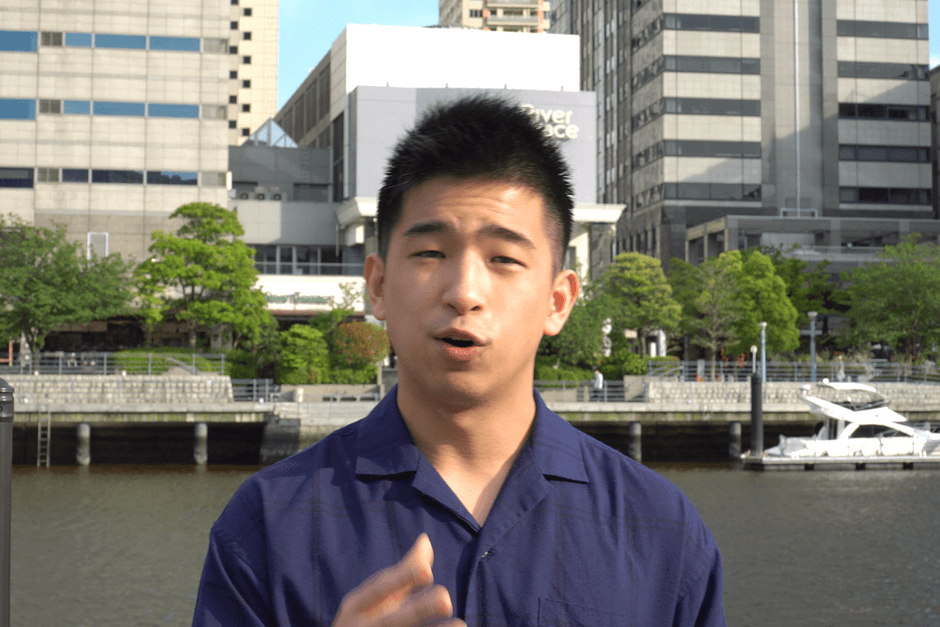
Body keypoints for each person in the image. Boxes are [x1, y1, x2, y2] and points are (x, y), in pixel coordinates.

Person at [192, 95, 726, 627]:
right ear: (378, 285)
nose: (464, 292)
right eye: (430, 253)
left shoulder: (662, 530)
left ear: (558, 300)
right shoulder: (268, 522)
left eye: (504, 259)